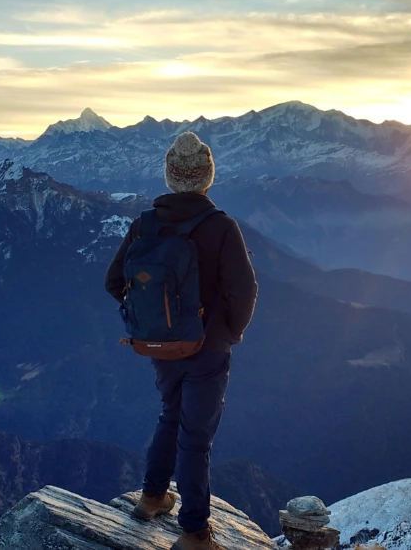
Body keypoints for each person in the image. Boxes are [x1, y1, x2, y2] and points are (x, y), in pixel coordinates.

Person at [105, 132, 258, 550]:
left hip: (159, 346)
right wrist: (229, 332)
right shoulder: (221, 227)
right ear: (208, 176)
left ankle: (153, 496)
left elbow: (114, 281)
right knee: (196, 438)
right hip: (207, 349)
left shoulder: (145, 224)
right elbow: (244, 291)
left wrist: (150, 321)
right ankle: (193, 532)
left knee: (169, 415)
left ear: (170, 177)